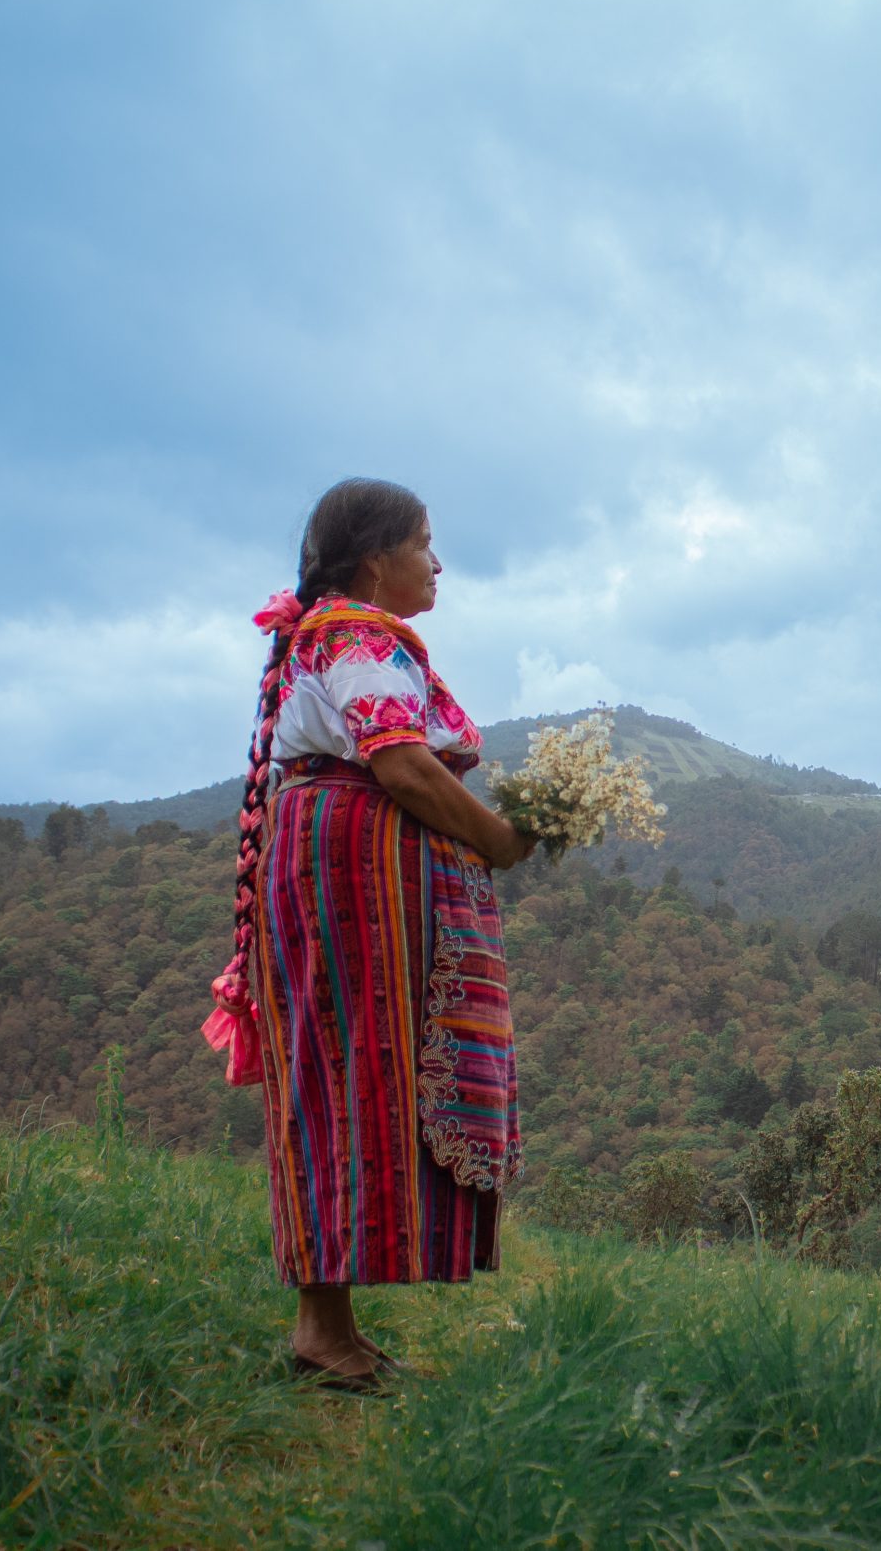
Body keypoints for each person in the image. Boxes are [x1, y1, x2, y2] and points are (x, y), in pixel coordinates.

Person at [202, 478, 535, 1393]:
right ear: (372, 563)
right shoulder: (357, 634)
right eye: (425, 544)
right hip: (354, 874)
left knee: (345, 1072)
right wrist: (499, 837)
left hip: (337, 860)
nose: (438, 563)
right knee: (347, 1070)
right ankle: (320, 1332)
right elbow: (398, 760)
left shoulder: (333, 634)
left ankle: (329, 1327)